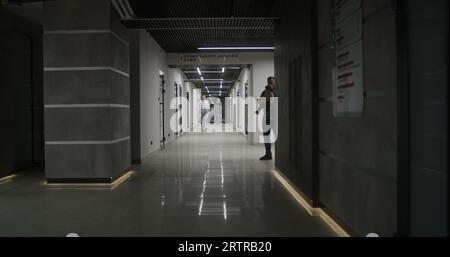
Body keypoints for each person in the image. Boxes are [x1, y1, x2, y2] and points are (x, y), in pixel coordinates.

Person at [256, 77, 276, 160]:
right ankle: (268, 153)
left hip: (271, 116)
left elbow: (261, 101)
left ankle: (270, 154)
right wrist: (259, 109)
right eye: (268, 81)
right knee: (266, 135)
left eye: (271, 81)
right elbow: (261, 101)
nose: (269, 83)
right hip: (268, 116)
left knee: (269, 135)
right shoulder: (266, 91)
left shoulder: (273, 92)